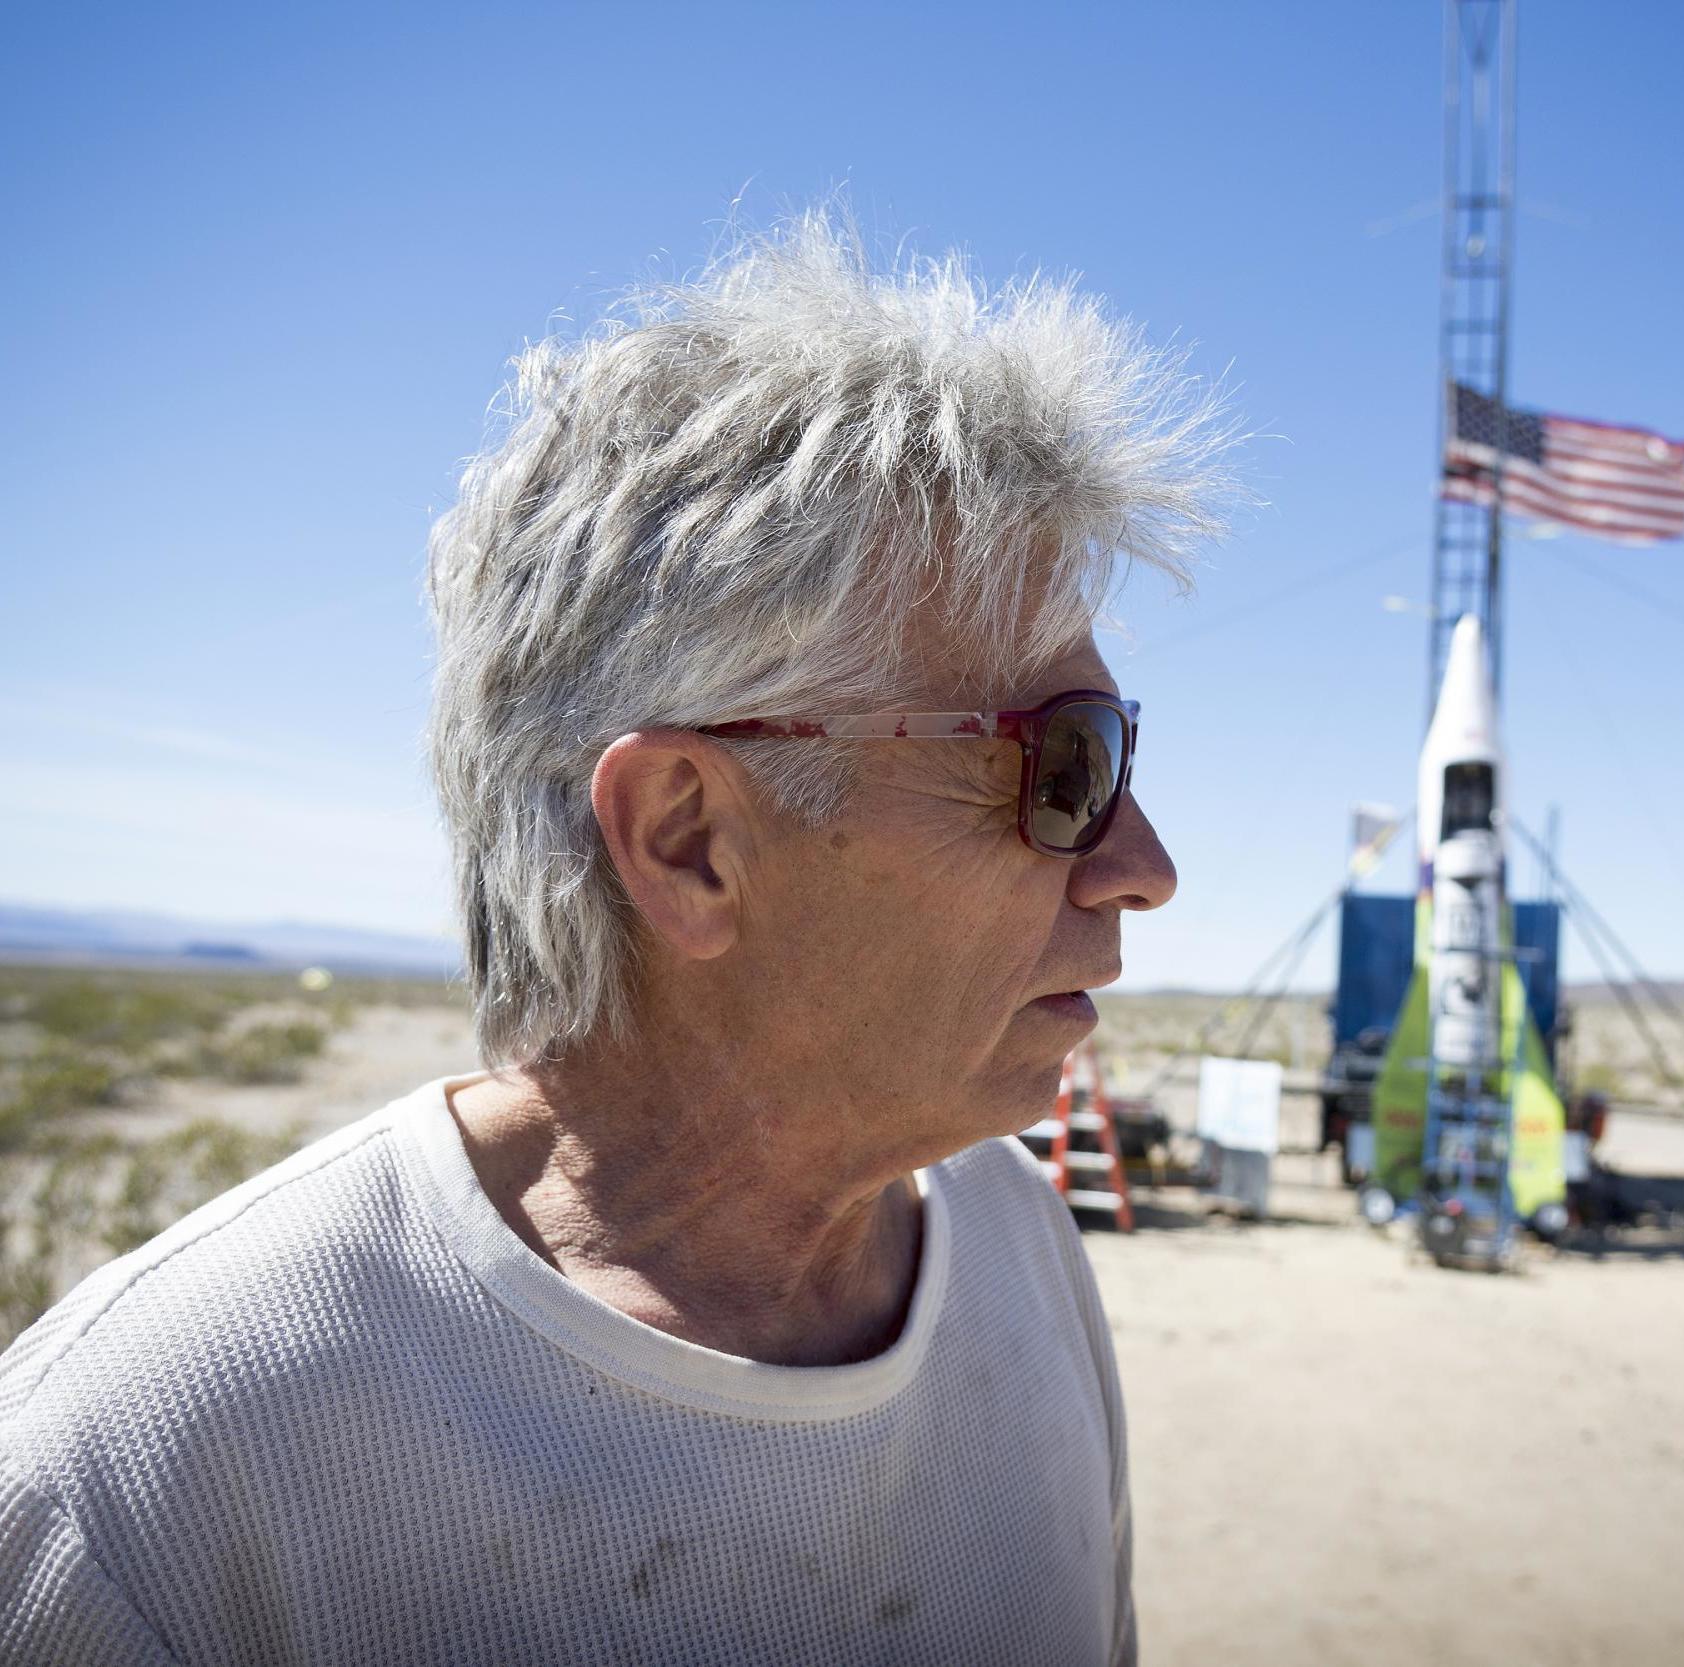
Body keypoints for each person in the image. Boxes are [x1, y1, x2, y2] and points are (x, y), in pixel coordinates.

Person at [0, 207, 1240, 1664]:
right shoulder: (150, 1475)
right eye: (1061, 765)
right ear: (686, 841)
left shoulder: (1021, 1245)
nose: (1141, 870)